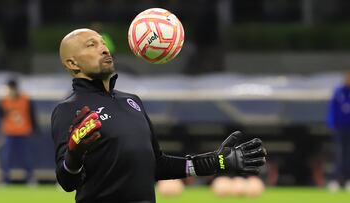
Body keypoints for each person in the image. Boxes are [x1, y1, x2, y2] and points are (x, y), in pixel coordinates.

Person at [51, 28, 267, 203]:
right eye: (92, 45)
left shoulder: (131, 101)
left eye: (103, 43)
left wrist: (216, 162)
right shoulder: (69, 110)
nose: (104, 49)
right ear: (72, 63)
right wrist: (74, 154)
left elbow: (157, 165)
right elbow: (67, 182)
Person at [0, 78, 38, 184]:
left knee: (26, 157)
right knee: (6, 157)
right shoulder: (4, 100)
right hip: (9, 133)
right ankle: (5, 179)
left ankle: (30, 178)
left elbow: (32, 115)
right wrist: (0, 101)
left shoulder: (25, 99)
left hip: (23, 133)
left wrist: (35, 129)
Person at [326, 71, 350, 192]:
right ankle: (337, 180)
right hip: (340, 128)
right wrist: (332, 124)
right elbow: (333, 109)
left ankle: (348, 180)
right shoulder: (338, 91)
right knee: (339, 155)